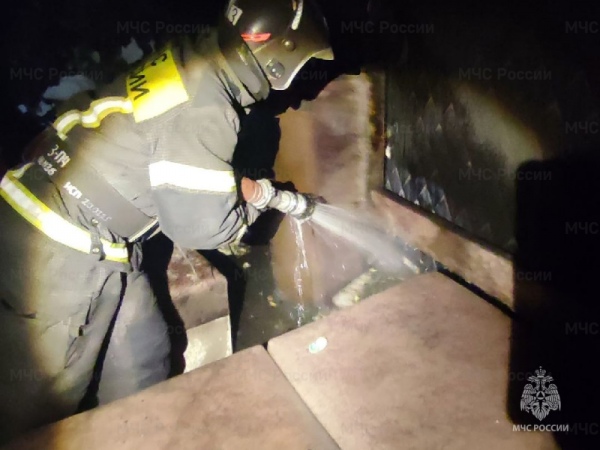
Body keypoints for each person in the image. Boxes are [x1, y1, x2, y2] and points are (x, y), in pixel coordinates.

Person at [0, 0, 333, 443]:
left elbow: (176, 149)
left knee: (144, 356)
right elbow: (200, 227)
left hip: (100, 231)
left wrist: (260, 192)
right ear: (280, 58)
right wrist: (257, 207)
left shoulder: (195, 60)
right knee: (43, 412)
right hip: (57, 247)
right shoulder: (208, 105)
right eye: (304, 64)